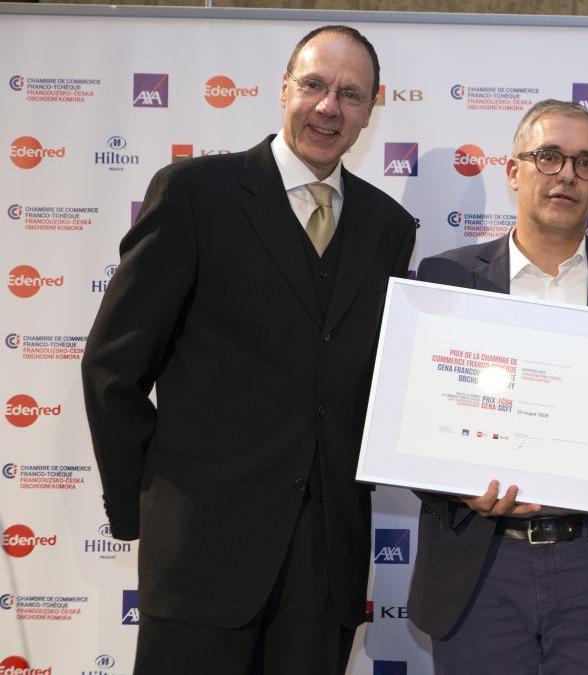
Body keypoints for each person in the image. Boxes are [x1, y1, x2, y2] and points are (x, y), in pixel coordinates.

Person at [80, 25, 417, 675]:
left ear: (370, 110)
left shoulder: (388, 227)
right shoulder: (194, 193)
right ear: (284, 88)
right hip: (200, 553)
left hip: (325, 568)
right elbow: (113, 366)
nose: (329, 107)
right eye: (314, 85)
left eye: (350, 94)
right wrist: (147, 504)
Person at [407, 99, 588, 674]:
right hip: (479, 566)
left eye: (586, 162)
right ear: (514, 171)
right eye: (549, 156)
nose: (566, 174)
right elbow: (414, 425)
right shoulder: (447, 277)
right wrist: (458, 485)